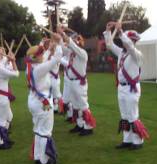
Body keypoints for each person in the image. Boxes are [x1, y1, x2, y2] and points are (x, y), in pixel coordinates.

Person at [103, 22, 149, 150]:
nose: (123, 42)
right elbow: (109, 45)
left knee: (133, 114)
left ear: (132, 41)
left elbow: (129, 46)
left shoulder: (136, 54)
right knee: (124, 115)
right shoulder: (122, 53)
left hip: (131, 88)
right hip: (121, 88)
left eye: (126, 40)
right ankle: (127, 140)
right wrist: (108, 31)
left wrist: (120, 32)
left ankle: (138, 141)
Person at [26, 34, 62, 164]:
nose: (43, 55)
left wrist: (48, 48)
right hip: (43, 103)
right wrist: (57, 43)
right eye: (41, 54)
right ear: (37, 57)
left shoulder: (31, 67)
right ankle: (45, 160)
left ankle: (38, 156)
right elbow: (56, 59)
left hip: (34, 101)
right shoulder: (40, 69)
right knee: (45, 130)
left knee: (38, 129)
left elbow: (45, 57)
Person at [57, 26, 97, 136]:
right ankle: (79, 124)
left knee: (83, 105)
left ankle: (88, 127)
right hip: (71, 83)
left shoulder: (82, 54)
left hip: (79, 83)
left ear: (79, 43)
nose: (74, 42)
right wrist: (60, 36)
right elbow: (62, 48)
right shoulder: (71, 53)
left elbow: (71, 45)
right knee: (75, 105)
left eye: (76, 40)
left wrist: (64, 34)